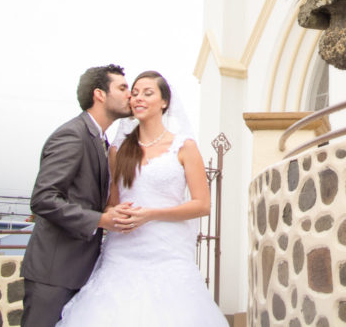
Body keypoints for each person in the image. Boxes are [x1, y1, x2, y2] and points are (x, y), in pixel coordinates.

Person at [56, 70, 227, 326]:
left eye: (148, 93)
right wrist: (115, 213)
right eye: (134, 93)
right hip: (123, 253)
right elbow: (111, 202)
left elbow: (202, 205)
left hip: (167, 252)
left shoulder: (184, 147)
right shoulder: (119, 150)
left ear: (164, 102)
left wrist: (150, 214)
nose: (138, 98)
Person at [21, 64, 134, 327]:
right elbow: (43, 198)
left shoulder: (100, 141)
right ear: (100, 94)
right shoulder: (72, 135)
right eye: (122, 87)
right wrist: (100, 220)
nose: (130, 95)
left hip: (80, 272)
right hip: (54, 273)